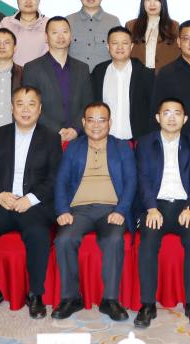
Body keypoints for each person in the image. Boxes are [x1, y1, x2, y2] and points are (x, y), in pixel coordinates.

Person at [0, 86, 62, 319]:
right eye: (20, 104)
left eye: (31, 104)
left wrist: (30, 199)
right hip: (2, 202)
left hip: (34, 205)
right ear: (12, 108)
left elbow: (54, 177)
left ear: (39, 109)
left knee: (37, 233)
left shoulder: (51, 138)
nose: (25, 109)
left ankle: (35, 294)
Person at [52, 102, 137, 321]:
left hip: (111, 209)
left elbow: (131, 182)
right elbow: (61, 180)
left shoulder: (122, 147)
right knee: (64, 239)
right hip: (79, 209)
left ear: (110, 123)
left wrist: (121, 210)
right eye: (91, 120)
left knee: (114, 239)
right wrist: (62, 210)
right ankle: (71, 298)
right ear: (83, 123)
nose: (96, 125)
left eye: (102, 120)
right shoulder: (73, 147)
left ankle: (110, 300)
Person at [133, 98, 190, 328]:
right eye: (166, 113)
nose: (172, 117)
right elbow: (143, 179)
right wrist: (151, 208)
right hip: (156, 204)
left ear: (185, 119)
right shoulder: (145, 143)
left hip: (185, 205)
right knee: (148, 240)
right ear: (158, 118)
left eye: (177, 113)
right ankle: (147, 304)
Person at [22, 16, 93, 142]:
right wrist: (57, 130)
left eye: (65, 32)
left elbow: (88, 104)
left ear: (71, 35)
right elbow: (30, 105)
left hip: (77, 139)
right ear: (46, 37)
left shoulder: (82, 68)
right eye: (55, 32)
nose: (61, 36)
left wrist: (76, 129)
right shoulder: (32, 68)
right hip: (44, 138)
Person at [91, 26, 155, 141]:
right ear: (108, 46)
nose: (120, 47)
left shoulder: (145, 74)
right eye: (115, 43)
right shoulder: (98, 72)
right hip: (104, 140)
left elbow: (153, 108)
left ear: (131, 46)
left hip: (137, 141)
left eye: (125, 43)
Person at [68, 0, 121, 71]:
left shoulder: (113, 21)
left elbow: (119, 52)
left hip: (105, 76)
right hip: (74, 75)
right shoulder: (68, 21)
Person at [126, 0, 180, 71]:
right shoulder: (131, 26)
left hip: (164, 74)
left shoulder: (174, 26)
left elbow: (178, 54)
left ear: (162, 2)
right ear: (143, 2)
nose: (152, 4)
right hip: (138, 74)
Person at [0, 0, 50, 66]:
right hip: (11, 72)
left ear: (39, 0)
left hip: (41, 73)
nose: (28, 1)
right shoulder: (6, 23)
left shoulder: (48, 23)